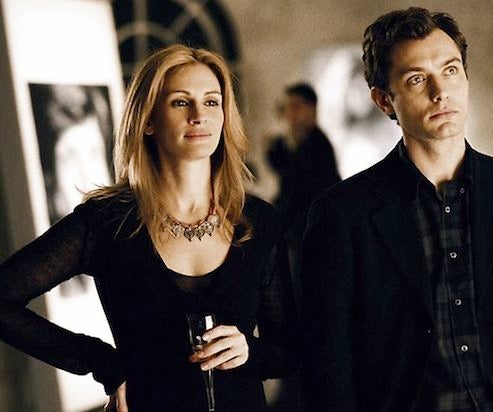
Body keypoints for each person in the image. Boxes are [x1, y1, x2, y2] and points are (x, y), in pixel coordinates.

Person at [300, 6, 493, 412]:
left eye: (450, 70)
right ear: (384, 100)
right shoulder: (340, 214)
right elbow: (328, 366)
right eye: (416, 79)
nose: (440, 91)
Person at [0, 44, 297, 412]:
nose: (199, 116)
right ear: (148, 120)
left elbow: (288, 351)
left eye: (211, 102)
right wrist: (100, 361)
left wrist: (248, 351)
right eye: (180, 102)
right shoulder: (106, 221)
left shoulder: (258, 221)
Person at [266, 83, 340, 297]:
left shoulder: (318, 146)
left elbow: (299, 189)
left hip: (312, 233)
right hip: (298, 231)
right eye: (287, 107)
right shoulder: (298, 142)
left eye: (296, 106)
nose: (290, 113)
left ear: (311, 109)